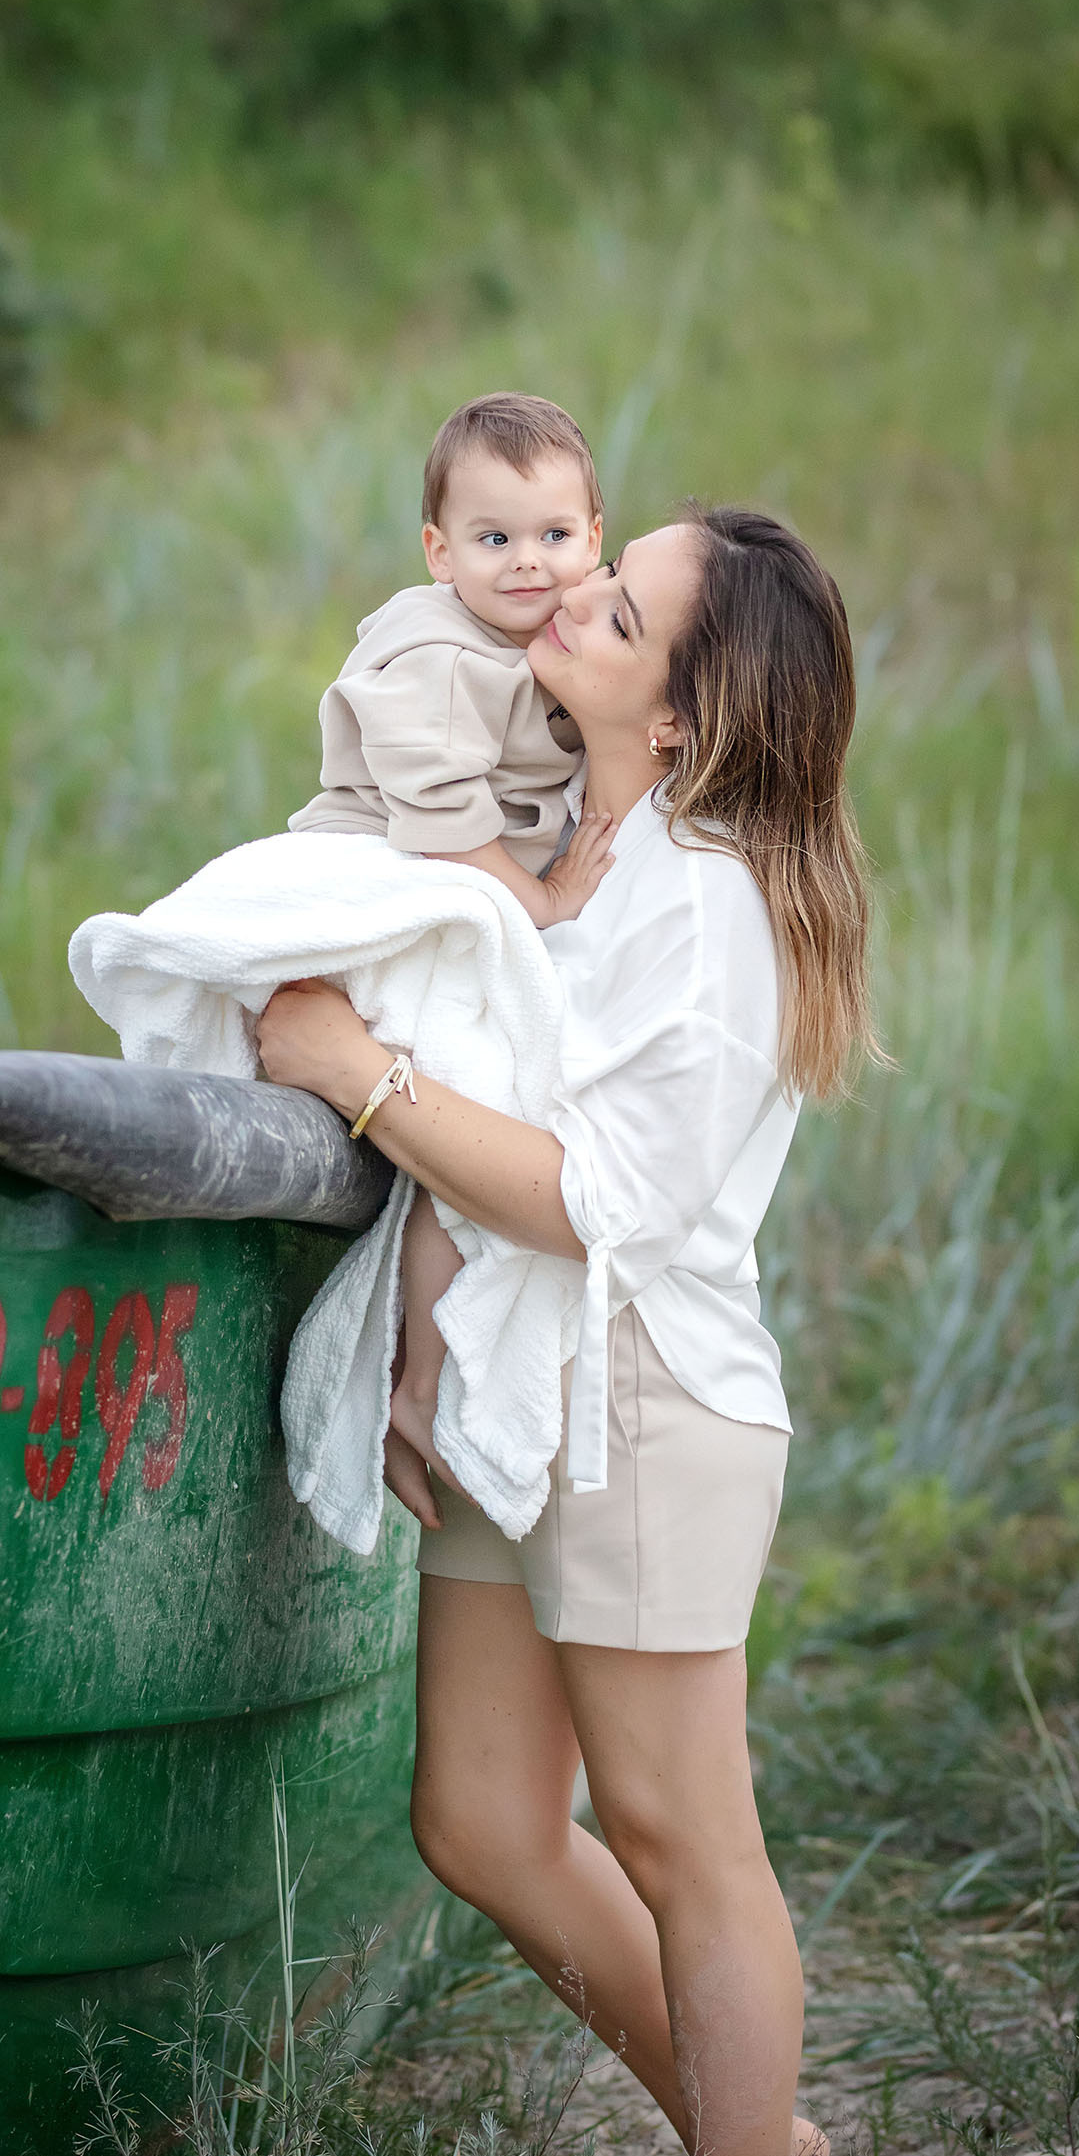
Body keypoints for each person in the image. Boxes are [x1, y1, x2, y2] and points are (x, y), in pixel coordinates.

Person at [257, 503, 877, 2156]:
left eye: (614, 606)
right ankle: (754, 2138)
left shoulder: (703, 901)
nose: (564, 601)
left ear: (679, 711)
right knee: (480, 1818)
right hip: (520, 1386)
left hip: (641, 1400)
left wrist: (351, 1072)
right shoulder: (578, 841)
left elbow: (595, 1196)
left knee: (688, 1839)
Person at [289, 389, 619, 1502]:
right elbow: (435, 823)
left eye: (553, 536)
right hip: (384, 886)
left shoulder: (553, 640)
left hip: (446, 902)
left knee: (478, 1118)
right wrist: (542, 900)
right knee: (474, 1107)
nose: (526, 564)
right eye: (491, 539)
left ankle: (423, 1371)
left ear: (594, 537)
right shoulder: (432, 647)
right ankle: (415, 1380)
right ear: (437, 550)